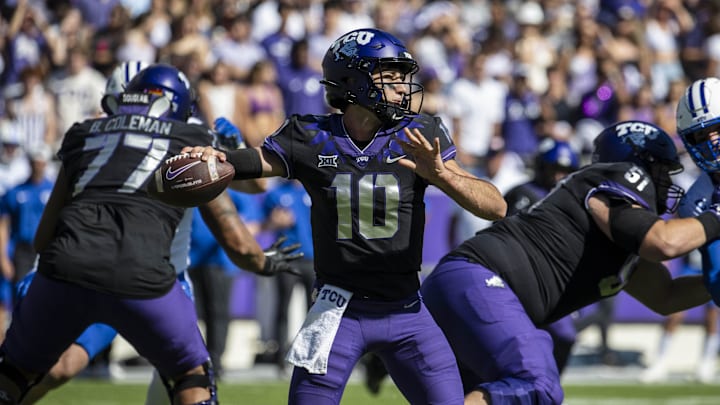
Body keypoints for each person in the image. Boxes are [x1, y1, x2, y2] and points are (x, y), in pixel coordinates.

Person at [183, 28, 507, 405]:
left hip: (408, 310)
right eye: (391, 76)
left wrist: (442, 176)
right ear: (354, 81)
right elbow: (249, 166)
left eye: (403, 76)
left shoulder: (419, 134)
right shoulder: (310, 135)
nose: (403, 87)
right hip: (338, 311)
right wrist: (211, 157)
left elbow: (495, 207)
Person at [0, 62, 299, 405]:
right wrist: (261, 261)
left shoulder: (85, 133)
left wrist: (232, 150)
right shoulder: (190, 137)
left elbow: (46, 236)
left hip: (86, 269)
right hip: (148, 281)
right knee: (189, 377)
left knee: (14, 372)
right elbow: (236, 228)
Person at [420, 120, 717, 405]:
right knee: (537, 383)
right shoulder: (612, 181)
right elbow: (665, 242)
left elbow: (666, 296)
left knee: (508, 394)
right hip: (480, 281)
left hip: (466, 289)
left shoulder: (621, 232)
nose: (668, 183)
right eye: (663, 171)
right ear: (637, 166)